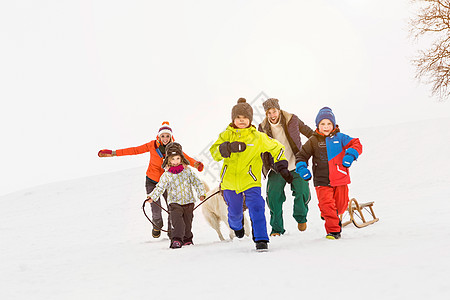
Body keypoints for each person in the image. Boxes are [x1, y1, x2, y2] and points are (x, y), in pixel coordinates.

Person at [209, 98, 291, 251]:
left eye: (245, 118)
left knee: (257, 207)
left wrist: (281, 164)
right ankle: (236, 225)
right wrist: (226, 148)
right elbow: (214, 152)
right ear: (233, 119)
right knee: (234, 212)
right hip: (230, 183)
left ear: (250, 119)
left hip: (251, 181)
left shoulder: (258, 137)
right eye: (238, 117)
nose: (242, 120)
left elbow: (277, 147)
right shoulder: (226, 135)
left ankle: (261, 239)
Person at [98, 121, 204, 238]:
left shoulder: (173, 148)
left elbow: (185, 157)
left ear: (171, 136)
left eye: (167, 136)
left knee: (172, 208)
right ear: (159, 136)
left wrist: (196, 164)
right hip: (152, 181)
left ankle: (172, 232)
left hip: (168, 182)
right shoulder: (152, 145)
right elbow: (134, 150)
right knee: (155, 208)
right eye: (162, 136)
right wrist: (113, 153)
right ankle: (157, 224)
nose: (165, 138)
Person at [295, 107, 362, 240]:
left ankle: (328, 214)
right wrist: (302, 169)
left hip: (340, 178)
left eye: (328, 124)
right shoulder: (313, 141)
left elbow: (356, 143)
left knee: (341, 206)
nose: (326, 127)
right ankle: (333, 231)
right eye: (322, 124)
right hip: (321, 180)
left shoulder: (341, 137)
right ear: (318, 125)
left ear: (333, 124)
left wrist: (350, 155)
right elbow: (301, 156)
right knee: (327, 205)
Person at [258, 98, 314, 236]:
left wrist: (323, 138)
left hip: (296, 164)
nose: (272, 115)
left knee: (302, 192)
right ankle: (277, 229)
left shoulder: (292, 119)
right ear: (266, 114)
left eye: (274, 111)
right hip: (276, 168)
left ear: (279, 110)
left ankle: (301, 217)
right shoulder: (262, 127)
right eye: (269, 112)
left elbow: (308, 132)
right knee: (273, 197)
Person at [146, 142, 206, 249]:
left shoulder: (188, 172)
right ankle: (176, 240)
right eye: (172, 159)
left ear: (181, 158)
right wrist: (152, 197)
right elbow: (160, 187)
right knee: (177, 222)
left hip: (188, 202)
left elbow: (197, 182)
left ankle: (187, 240)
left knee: (188, 222)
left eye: (177, 158)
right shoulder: (167, 174)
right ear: (168, 160)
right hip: (174, 203)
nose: (175, 161)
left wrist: (201, 193)